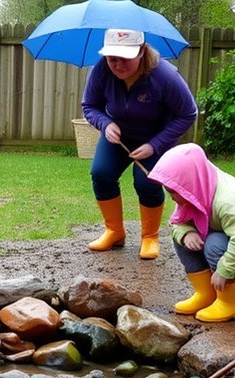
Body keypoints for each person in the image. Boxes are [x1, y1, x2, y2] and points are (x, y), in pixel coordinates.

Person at [81, 28, 198, 260]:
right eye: (112, 58)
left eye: (125, 58)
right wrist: (105, 123)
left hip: (155, 138)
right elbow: (89, 106)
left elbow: (188, 114)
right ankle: (114, 231)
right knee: (101, 173)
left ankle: (150, 237)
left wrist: (155, 145)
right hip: (118, 136)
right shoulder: (101, 70)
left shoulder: (165, 76)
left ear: (142, 52)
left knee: (146, 182)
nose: (118, 65)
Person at [148, 143, 235, 322]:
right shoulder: (198, 187)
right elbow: (177, 223)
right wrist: (186, 233)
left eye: (172, 190)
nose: (171, 196)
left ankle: (230, 304)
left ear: (188, 182)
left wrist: (224, 271)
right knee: (182, 233)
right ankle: (206, 294)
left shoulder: (229, 201)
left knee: (215, 243)